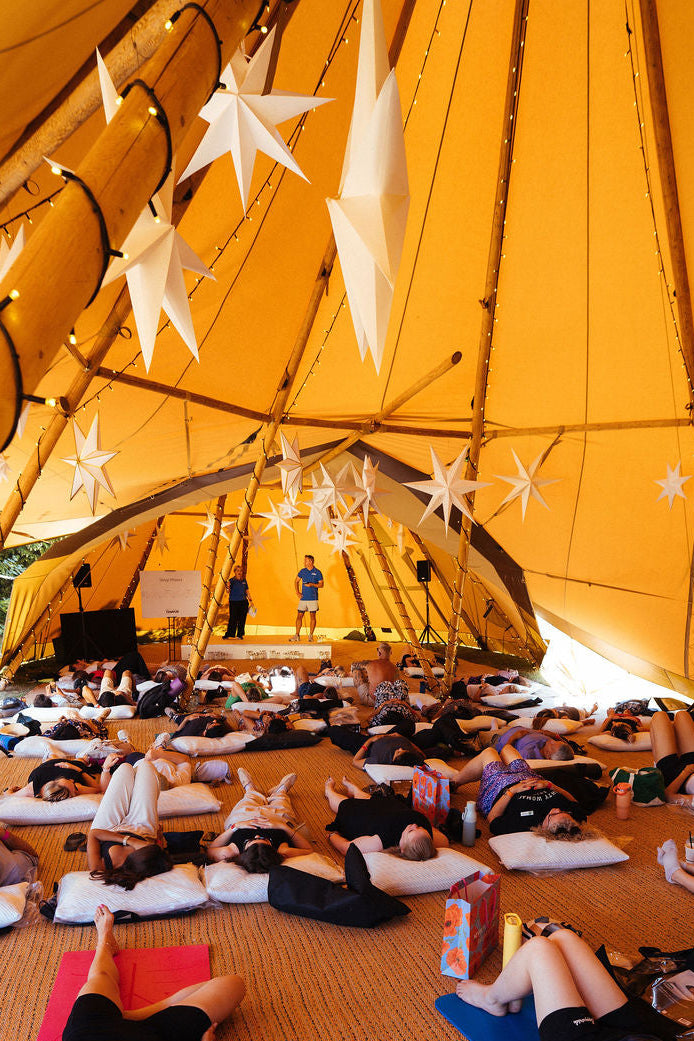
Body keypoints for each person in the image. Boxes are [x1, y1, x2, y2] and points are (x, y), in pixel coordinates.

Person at [454, 926, 678, 1041]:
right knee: (563, 938)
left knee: (538, 949)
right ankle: (512, 989)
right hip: (643, 1035)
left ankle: (492, 998)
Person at [62, 904, 245, 1041]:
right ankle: (135, 1015)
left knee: (102, 977)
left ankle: (104, 943)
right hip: (154, 1035)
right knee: (233, 985)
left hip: (89, 1032)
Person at [451, 746, 587, 837]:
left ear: (545, 828)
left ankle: (454, 783)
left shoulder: (524, 824)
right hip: (528, 777)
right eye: (563, 811)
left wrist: (512, 791)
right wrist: (549, 785)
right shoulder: (571, 821)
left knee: (489, 752)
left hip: (500, 788)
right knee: (507, 748)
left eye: (554, 814)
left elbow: (492, 818)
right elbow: (573, 801)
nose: (556, 809)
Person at [87, 760, 173, 889]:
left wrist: (131, 841)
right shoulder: (148, 862)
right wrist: (158, 837)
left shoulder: (99, 869)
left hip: (107, 827)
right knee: (146, 766)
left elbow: (94, 834)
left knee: (125, 768)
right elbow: (159, 849)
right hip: (142, 829)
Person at [206, 768, 312, 872]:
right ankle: (281, 791)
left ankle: (250, 789)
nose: (257, 835)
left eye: (250, 840)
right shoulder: (283, 851)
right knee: (281, 801)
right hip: (277, 818)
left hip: (243, 817)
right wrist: (283, 827)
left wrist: (235, 827)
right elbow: (308, 850)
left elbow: (210, 850)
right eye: (263, 839)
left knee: (249, 799)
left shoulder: (232, 851)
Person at [324, 776, 448, 860]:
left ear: (402, 848)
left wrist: (332, 836)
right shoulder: (428, 838)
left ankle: (329, 791)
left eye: (411, 831)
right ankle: (355, 790)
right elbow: (443, 841)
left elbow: (346, 848)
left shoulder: (383, 841)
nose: (414, 825)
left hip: (365, 816)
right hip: (388, 808)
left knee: (343, 805)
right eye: (420, 828)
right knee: (372, 799)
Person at [9, 756, 107, 802]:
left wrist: (10, 790)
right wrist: (76, 769)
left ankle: (52, 757)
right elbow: (98, 789)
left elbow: (7, 795)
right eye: (72, 784)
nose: (72, 780)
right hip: (71, 767)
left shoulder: (30, 789)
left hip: (49, 766)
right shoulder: (76, 787)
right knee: (82, 759)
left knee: (51, 758)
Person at [650, 710, 694, 802]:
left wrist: (686, 771)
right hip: (692, 763)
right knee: (682, 715)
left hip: (674, 776)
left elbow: (668, 796)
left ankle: (657, 768)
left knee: (659, 716)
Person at [492, 724, 575, 761]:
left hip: (502, 738)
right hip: (518, 729)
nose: (552, 741)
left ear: (548, 756)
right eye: (556, 741)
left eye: (553, 745)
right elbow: (567, 748)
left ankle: (494, 729)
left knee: (490, 735)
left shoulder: (528, 754)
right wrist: (556, 736)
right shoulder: (548, 746)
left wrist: (513, 737)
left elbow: (504, 756)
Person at [290, 554, 323, 643]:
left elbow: (321, 584)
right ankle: (297, 635)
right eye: (304, 560)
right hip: (303, 599)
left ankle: (310, 636)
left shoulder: (317, 572)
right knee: (299, 616)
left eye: (306, 560)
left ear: (311, 562)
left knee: (312, 616)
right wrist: (297, 592)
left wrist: (312, 584)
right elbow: (296, 581)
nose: (304, 562)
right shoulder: (302, 571)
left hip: (313, 598)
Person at [352, 733, 426, 770]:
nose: (400, 749)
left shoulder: (381, 760)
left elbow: (355, 762)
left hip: (369, 744)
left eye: (398, 752)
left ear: (394, 760)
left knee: (346, 735)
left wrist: (369, 741)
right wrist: (402, 737)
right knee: (409, 724)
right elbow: (423, 755)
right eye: (403, 750)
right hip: (386, 735)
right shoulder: (411, 756)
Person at [223, 565, 254, 640]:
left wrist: (250, 600)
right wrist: (227, 586)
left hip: (243, 602)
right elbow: (227, 591)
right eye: (237, 571)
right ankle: (230, 634)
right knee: (233, 618)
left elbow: (247, 590)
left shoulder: (244, 581)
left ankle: (240, 634)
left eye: (240, 571)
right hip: (234, 602)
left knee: (242, 619)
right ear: (234, 572)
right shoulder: (231, 581)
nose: (239, 572)